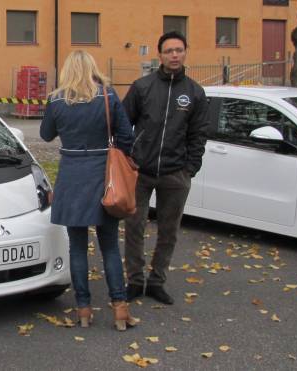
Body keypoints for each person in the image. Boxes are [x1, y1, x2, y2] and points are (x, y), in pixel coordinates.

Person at [40, 50, 136, 331]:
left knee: (78, 248)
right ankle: (120, 308)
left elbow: (45, 135)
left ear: (66, 71)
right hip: (104, 177)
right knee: (109, 246)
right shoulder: (107, 96)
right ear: (93, 67)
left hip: (71, 177)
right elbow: (126, 136)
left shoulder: (56, 100)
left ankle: (83, 309)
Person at [122, 31, 209, 305]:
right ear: (159, 55)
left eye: (179, 50)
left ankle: (157, 281)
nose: (174, 55)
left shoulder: (195, 92)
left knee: (168, 231)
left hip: (175, 174)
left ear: (185, 53)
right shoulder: (142, 87)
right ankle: (135, 280)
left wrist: (190, 168)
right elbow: (123, 126)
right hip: (141, 172)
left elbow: (199, 134)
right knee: (134, 227)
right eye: (169, 50)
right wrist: (127, 158)